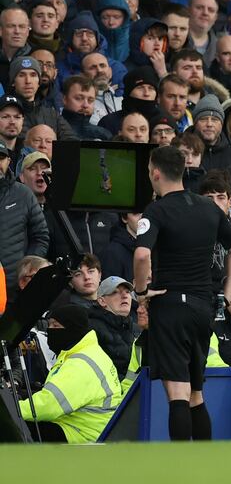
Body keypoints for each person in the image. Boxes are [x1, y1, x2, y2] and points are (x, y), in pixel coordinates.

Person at [134, 145, 231, 441]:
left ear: (155, 173)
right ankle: (204, 467)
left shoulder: (156, 209)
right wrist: (226, 292)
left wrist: (141, 291)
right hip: (203, 307)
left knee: (178, 394)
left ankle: (182, 469)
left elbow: (142, 254)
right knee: (196, 393)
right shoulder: (208, 207)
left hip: (170, 306)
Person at [18, 304, 122, 443]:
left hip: (82, 434)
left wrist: (12, 410)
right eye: (49, 325)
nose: (50, 330)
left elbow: (49, 405)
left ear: (73, 328)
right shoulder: (85, 351)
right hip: (85, 425)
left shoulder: (80, 364)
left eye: (55, 325)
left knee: (16, 427)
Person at [0, 140, 48, 296]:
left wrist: (29, 268)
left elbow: (40, 236)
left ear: (8, 161)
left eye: (1, 158)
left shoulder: (23, 194)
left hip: (15, 289)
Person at [90, 276, 136, 379]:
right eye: (115, 292)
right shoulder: (91, 330)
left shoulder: (137, 329)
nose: (124, 296)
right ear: (102, 301)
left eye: (127, 292)